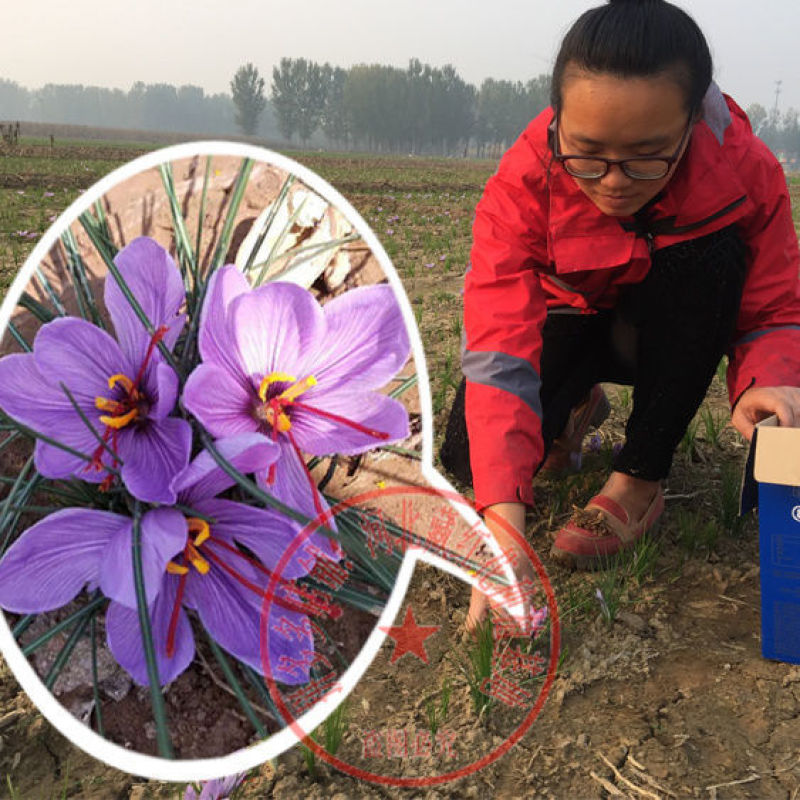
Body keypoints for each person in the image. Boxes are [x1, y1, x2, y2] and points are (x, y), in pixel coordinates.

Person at [439, 0, 800, 627]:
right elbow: (499, 351)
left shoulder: (746, 168)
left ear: (691, 122)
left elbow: (774, 304)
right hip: (574, 320)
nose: (612, 182)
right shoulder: (522, 182)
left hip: (668, 331)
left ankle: (639, 477)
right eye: (587, 153)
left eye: (646, 156)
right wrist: (502, 523)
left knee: (710, 256)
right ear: (558, 120)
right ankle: (576, 407)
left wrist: (768, 374)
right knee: (470, 458)